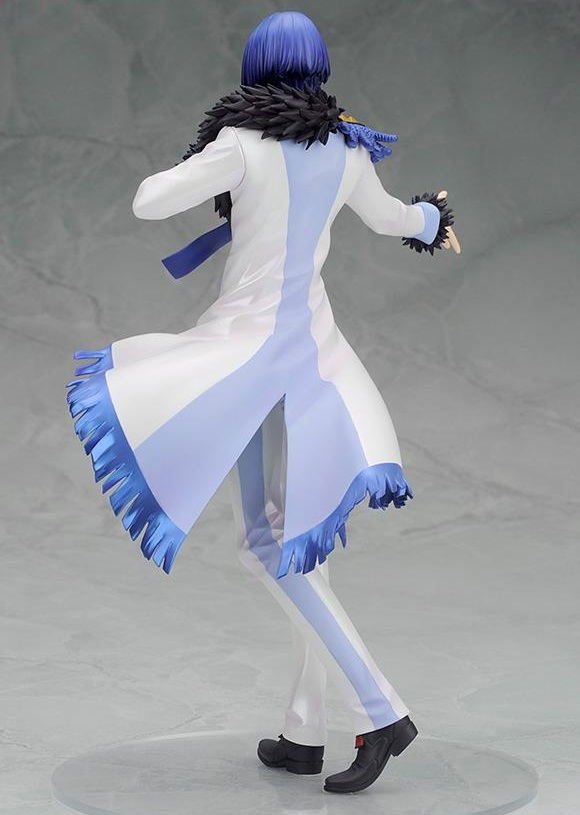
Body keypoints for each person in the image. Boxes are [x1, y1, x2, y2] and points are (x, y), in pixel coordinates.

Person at [66, 11, 460, 795]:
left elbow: (148, 201)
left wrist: (211, 156)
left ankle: (382, 711)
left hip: (248, 360)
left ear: (255, 70)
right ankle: (304, 729)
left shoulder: (243, 143)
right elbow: (394, 219)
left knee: (267, 544)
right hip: (309, 361)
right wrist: (435, 219)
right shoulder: (347, 146)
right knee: (291, 546)